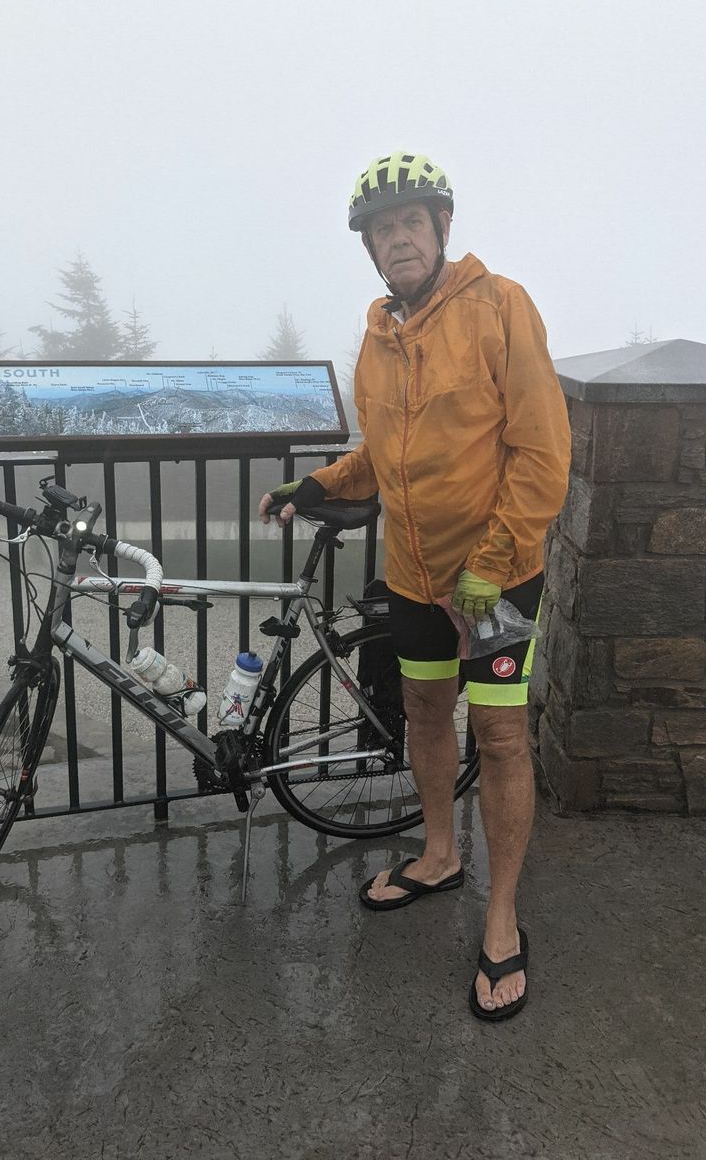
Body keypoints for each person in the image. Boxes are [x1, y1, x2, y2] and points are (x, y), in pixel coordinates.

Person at [258, 152, 571, 1021]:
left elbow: (543, 452)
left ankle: (502, 917)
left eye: (410, 223)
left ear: (441, 228)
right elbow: (381, 457)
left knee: (499, 740)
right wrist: (316, 485)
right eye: (382, 230)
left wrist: (490, 565)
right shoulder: (379, 335)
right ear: (369, 247)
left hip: (496, 584)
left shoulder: (500, 306)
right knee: (426, 716)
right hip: (413, 577)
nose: (397, 239)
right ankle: (440, 856)